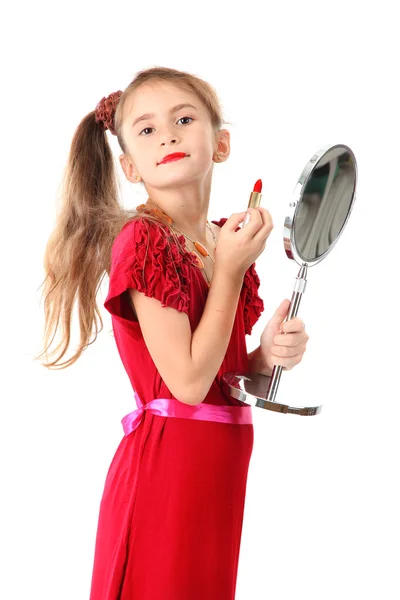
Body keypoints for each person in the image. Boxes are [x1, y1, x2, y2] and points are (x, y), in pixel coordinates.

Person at [36, 66, 309, 600]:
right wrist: (229, 271)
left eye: (184, 119)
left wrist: (265, 357)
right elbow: (185, 383)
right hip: (169, 470)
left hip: (220, 465)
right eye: (146, 129)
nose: (167, 134)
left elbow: (219, 373)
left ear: (221, 142)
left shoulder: (217, 241)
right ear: (130, 168)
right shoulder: (144, 243)